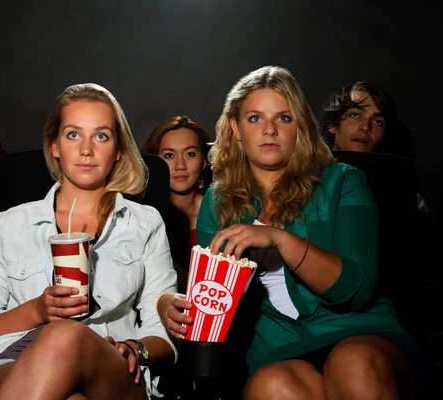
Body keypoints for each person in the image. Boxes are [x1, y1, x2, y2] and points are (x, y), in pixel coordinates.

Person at [157, 66, 419, 399]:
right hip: (280, 349)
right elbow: (216, 299)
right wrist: (171, 301)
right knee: (271, 386)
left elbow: (357, 289)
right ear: (236, 128)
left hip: (360, 334)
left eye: (283, 118)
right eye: (254, 119)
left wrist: (280, 240)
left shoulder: (342, 181)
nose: (269, 130)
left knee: (352, 363)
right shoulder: (218, 201)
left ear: (300, 126)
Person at [0, 83, 178, 400]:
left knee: (65, 335)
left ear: (118, 150)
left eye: (101, 136)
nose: (86, 149)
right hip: (12, 359)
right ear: (55, 146)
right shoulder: (8, 225)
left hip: (110, 367)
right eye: (73, 134)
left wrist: (135, 347)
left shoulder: (145, 223)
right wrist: (39, 310)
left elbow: (161, 331)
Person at [319, 81, 428, 212]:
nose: (366, 127)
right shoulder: (305, 177)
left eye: (378, 122)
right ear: (332, 124)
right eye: (355, 115)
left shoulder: (403, 191)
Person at [142, 115, 211, 292]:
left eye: (190, 154)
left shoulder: (222, 213)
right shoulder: (141, 218)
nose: (180, 165)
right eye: (169, 155)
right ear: (154, 162)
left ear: (204, 161)